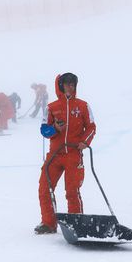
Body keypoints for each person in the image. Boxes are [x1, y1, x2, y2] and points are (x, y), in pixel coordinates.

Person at [35, 72, 96, 234]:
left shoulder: (83, 105)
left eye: (73, 84)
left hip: (73, 154)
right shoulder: (51, 107)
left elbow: (91, 127)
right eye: (68, 84)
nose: (71, 86)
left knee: (72, 191)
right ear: (61, 86)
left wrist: (85, 141)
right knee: (44, 188)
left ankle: (76, 223)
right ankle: (48, 223)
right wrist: (55, 128)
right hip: (54, 155)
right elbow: (44, 130)